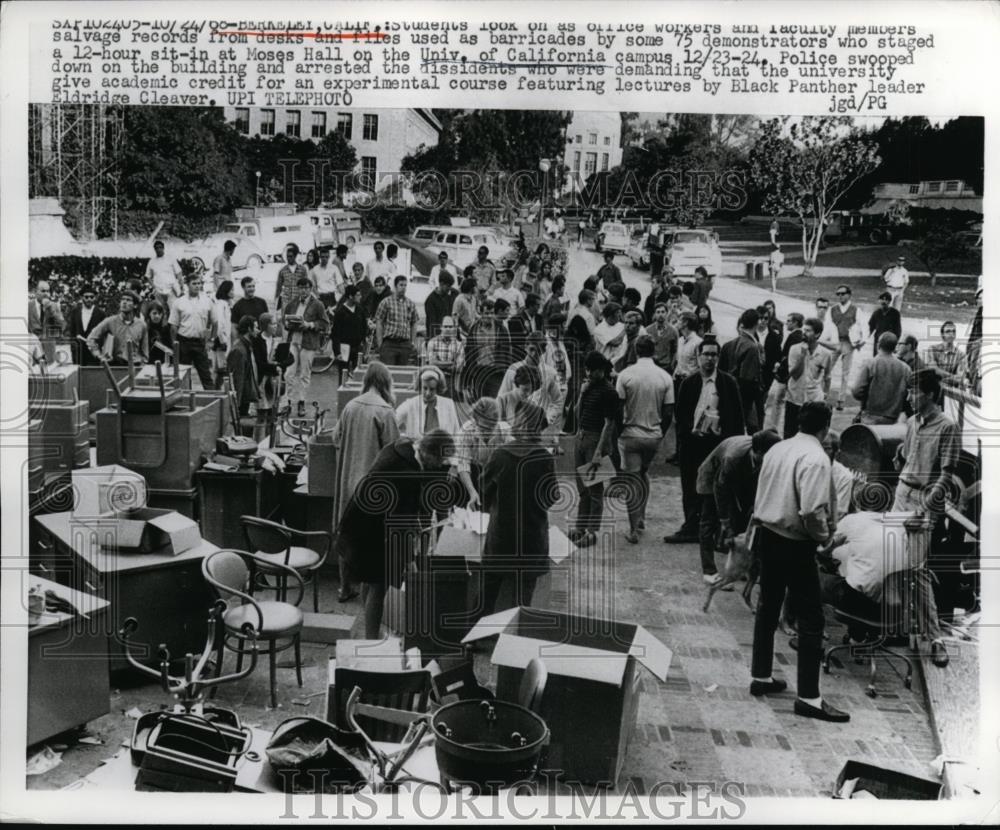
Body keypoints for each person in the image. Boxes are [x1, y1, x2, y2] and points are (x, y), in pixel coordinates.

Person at [750, 401, 849, 723]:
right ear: (826, 426)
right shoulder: (816, 458)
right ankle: (809, 697)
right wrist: (824, 538)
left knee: (768, 606)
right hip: (795, 543)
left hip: (768, 534)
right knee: (811, 619)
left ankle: (761, 676)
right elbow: (810, 510)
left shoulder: (778, 448)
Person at [337, 429, 455, 638]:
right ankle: (372, 639)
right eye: (441, 459)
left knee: (368, 579)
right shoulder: (407, 476)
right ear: (429, 454)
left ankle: (370, 629)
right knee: (379, 583)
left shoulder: (400, 447)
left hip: (358, 520)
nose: (441, 465)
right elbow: (398, 527)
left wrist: (413, 521)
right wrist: (410, 561)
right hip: (369, 530)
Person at [891, 368, 962, 668]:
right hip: (901, 493)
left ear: (931, 394)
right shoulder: (911, 421)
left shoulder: (947, 427)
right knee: (893, 561)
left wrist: (924, 510)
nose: (908, 397)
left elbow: (946, 476)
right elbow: (906, 457)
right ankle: (897, 625)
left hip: (923, 500)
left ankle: (935, 639)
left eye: (914, 392)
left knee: (917, 572)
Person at [481, 402, 558, 614]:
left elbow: (483, 494)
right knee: (522, 603)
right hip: (531, 540)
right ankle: (515, 640)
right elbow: (551, 497)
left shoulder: (499, 454)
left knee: (487, 596)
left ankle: (474, 641)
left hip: (501, 539)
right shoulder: (545, 458)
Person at [665, 339, 745, 543]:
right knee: (690, 485)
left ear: (718, 357)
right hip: (693, 444)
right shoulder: (689, 383)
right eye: (706, 354)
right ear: (698, 356)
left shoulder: (728, 383)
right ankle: (691, 525)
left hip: (717, 445)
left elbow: (737, 417)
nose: (710, 359)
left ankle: (715, 529)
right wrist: (688, 435)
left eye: (714, 355)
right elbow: (680, 416)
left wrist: (730, 444)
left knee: (717, 487)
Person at [696, 429, 782, 585]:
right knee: (709, 521)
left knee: (742, 519)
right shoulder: (733, 457)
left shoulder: (764, 455)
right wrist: (724, 521)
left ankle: (736, 566)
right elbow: (720, 488)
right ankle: (709, 570)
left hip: (741, 476)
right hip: (714, 477)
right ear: (759, 453)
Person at [616, 335, 674, 543]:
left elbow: (618, 409)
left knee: (632, 480)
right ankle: (641, 517)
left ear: (635, 350)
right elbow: (668, 413)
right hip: (654, 434)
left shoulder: (625, 375)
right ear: (654, 351)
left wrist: (618, 432)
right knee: (644, 473)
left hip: (630, 434)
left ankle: (633, 528)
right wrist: (660, 432)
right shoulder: (665, 377)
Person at [571, 351, 619, 547]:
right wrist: (582, 393)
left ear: (602, 370)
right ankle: (580, 527)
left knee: (595, 489)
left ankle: (591, 531)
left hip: (595, 438)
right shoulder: (588, 387)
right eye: (587, 369)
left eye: (594, 371)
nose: (589, 374)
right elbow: (575, 412)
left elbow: (609, 424)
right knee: (582, 487)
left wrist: (599, 451)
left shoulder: (609, 391)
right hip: (581, 435)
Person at [453, 396, 513, 510]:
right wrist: (472, 492)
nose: (487, 432)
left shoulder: (505, 431)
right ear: (475, 421)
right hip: (473, 472)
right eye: (483, 428)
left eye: (491, 427)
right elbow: (463, 465)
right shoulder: (466, 431)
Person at [283, 277, 329, 418]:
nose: (303, 290)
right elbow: (285, 321)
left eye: (306, 288)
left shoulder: (317, 304)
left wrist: (309, 325)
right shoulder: (293, 303)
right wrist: (288, 323)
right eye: (301, 288)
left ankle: (301, 402)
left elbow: (325, 323)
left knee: (304, 374)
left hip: (308, 342)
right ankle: (288, 401)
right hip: (293, 340)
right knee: (289, 373)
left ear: (311, 289)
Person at [497, 331, 563, 426]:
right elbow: (501, 398)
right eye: (532, 349)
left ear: (544, 351)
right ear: (525, 347)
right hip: (514, 426)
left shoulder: (550, 373)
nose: (534, 354)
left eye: (538, 350)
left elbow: (558, 400)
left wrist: (547, 419)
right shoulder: (513, 370)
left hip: (537, 427)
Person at [784, 317, 834, 439]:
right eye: (803, 330)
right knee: (790, 434)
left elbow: (827, 376)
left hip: (813, 400)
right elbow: (794, 374)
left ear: (817, 334)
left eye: (808, 331)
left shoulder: (825, 354)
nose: (804, 334)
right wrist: (802, 355)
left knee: (811, 436)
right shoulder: (794, 349)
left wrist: (825, 394)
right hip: (794, 398)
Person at [852, 332, 911, 425]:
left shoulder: (870, 363)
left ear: (878, 345)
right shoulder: (905, 368)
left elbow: (856, 391)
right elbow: (909, 394)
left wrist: (867, 398)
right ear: (895, 347)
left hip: (870, 416)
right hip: (894, 418)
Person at [168, 272, 215, 389]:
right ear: (187, 285)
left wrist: (211, 340)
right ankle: (184, 401)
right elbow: (173, 325)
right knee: (183, 375)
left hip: (200, 342)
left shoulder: (207, 301)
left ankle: (212, 402)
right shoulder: (179, 302)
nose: (197, 286)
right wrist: (175, 343)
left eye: (199, 283)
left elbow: (215, 322)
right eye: (194, 283)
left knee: (206, 375)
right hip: (183, 342)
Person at [720, 308, 764, 432]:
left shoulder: (728, 344)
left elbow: (721, 370)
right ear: (756, 323)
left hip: (727, 392)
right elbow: (747, 379)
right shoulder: (752, 347)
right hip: (745, 398)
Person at [823, 285, 865, 410]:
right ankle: (824, 395)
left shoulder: (856, 310)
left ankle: (841, 400)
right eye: (838, 294)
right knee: (827, 369)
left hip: (848, 343)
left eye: (843, 294)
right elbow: (828, 326)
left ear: (849, 295)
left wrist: (860, 341)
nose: (840, 296)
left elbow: (862, 327)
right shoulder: (832, 309)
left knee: (845, 373)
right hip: (836, 342)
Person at [762, 312, 804, 434]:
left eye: (789, 321)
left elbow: (788, 358)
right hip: (787, 375)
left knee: (777, 401)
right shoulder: (796, 336)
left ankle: (772, 427)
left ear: (796, 322)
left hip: (785, 376)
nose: (787, 323)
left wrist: (781, 372)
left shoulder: (795, 337)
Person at [395, 365, 461, 440]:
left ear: (437, 388)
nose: (428, 393)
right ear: (420, 386)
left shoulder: (448, 404)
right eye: (425, 388)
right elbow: (393, 422)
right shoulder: (410, 404)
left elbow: (456, 433)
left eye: (432, 389)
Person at [86, 292, 148, 365]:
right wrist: (99, 355)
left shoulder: (142, 325)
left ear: (135, 305)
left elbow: (145, 351)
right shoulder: (109, 321)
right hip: (115, 366)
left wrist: (143, 363)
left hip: (135, 366)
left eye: (128, 300)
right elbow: (91, 339)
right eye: (122, 299)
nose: (124, 302)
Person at [375, 275, 418, 366]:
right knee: (388, 373)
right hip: (389, 343)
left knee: (402, 375)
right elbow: (379, 322)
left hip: (405, 344)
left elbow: (414, 322)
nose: (403, 288)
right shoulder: (386, 302)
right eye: (401, 285)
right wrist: (380, 343)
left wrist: (412, 341)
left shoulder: (410, 304)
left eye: (405, 285)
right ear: (395, 286)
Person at [330, 283, 366, 386]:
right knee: (343, 374)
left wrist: (363, 343)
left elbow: (364, 328)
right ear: (351, 296)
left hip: (357, 347)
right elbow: (335, 333)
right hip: (344, 347)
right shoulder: (340, 312)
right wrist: (337, 352)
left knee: (358, 374)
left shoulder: (360, 309)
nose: (360, 297)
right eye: (358, 295)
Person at [227, 315, 260, 416]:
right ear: (249, 329)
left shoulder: (246, 346)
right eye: (256, 327)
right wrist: (236, 405)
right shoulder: (239, 350)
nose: (258, 331)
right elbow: (237, 380)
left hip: (244, 398)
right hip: (241, 401)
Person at [251, 312, 283, 418]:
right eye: (272, 324)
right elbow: (259, 363)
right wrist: (274, 367)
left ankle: (271, 434)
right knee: (262, 412)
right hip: (262, 381)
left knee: (273, 413)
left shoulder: (276, 341)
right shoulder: (257, 340)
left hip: (274, 381)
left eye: (276, 324)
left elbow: (289, 357)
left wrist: (281, 364)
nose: (275, 326)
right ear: (265, 326)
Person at [67, 286, 106, 365]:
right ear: (82, 297)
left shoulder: (101, 313)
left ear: (95, 298)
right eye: (86, 297)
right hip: (78, 353)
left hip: (94, 353)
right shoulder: (75, 312)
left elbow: (104, 334)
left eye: (91, 297)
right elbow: (72, 332)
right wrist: (73, 349)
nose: (89, 299)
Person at [926, 320, 968, 385]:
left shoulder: (961, 355)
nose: (951, 334)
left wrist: (941, 375)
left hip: (951, 390)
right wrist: (952, 376)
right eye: (948, 331)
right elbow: (933, 369)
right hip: (934, 387)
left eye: (954, 331)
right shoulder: (933, 349)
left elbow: (960, 378)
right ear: (942, 334)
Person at [211, 280, 235, 388]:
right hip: (222, 342)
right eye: (232, 290)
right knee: (222, 369)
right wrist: (223, 340)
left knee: (224, 370)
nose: (233, 292)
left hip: (225, 340)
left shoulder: (227, 304)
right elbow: (220, 324)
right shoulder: (221, 304)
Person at [145, 240, 183, 309]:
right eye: (156, 248)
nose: (158, 249)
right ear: (154, 249)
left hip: (171, 290)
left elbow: (179, 272)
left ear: (163, 248)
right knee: (161, 311)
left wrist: (180, 285)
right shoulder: (152, 261)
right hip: (159, 291)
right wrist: (154, 287)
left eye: (160, 247)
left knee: (173, 311)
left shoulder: (171, 258)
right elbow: (148, 276)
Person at [275, 245, 309, 314]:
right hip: (286, 301)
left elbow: (306, 285)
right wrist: (276, 300)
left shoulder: (302, 269)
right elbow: (278, 287)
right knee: (286, 321)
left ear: (295, 256)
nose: (288, 258)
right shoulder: (282, 270)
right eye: (287, 256)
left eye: (291, 256)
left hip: (298, 300)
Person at [424, 270, 458, 338]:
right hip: (436, 337)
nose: (449, 288)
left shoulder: (449, 296)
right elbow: (432, 324)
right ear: (441, 284)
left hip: (448, 336)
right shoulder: (430, 300)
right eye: (448, 286)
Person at [867, 292, 901, 357]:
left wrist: (896, 342)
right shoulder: (876, 313)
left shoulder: (895, 313)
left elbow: (898, 330)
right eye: (882, 299)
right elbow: (870, 326)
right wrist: (865, 337)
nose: (884, 301)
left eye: (886, 300)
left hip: (889, 340)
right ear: (879, 301)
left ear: (889, 302)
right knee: (876, 358)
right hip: (878, 340)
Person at [673, 313, 702, 387]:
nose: (677, 323)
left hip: (691, 383)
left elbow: (701, 366)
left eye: (679, 320)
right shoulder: (680, 340)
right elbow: (678, 362)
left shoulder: (698, 342)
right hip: (677, 381)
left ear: (685, 323)